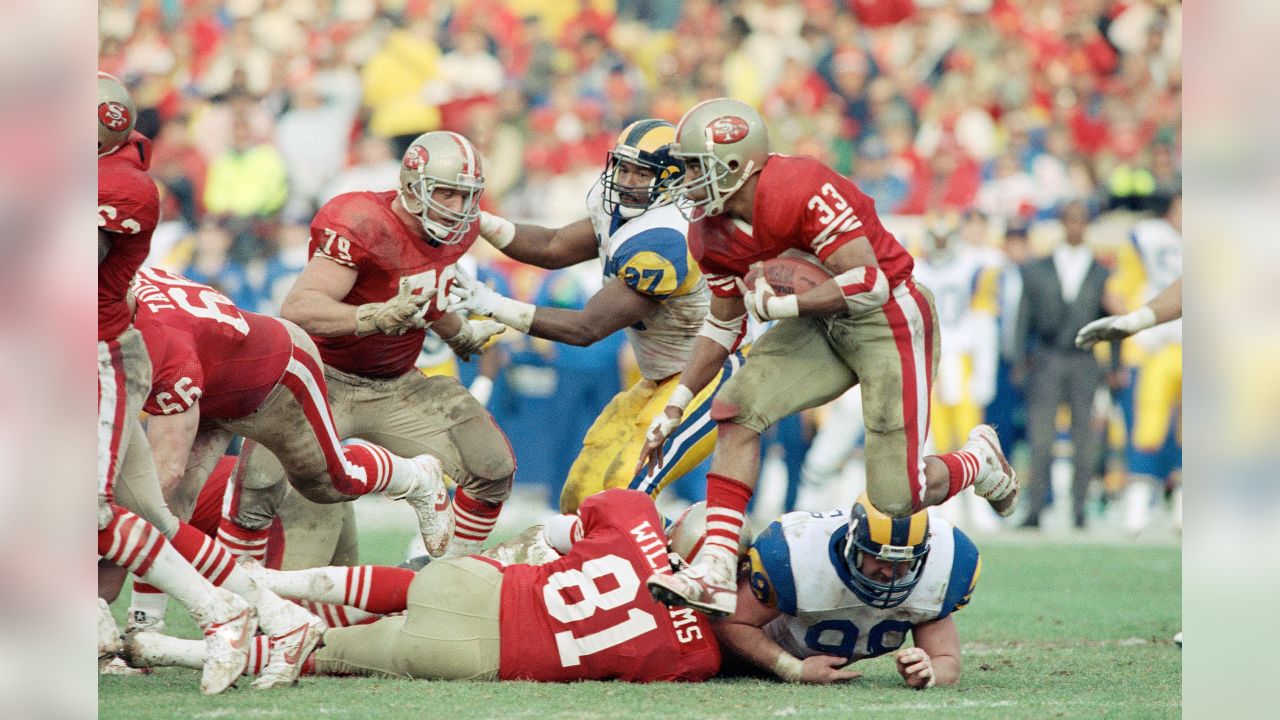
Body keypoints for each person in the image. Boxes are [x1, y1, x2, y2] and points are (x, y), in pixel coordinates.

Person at [635, 98, 1016, 617]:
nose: (689, 183)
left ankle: (980, 461)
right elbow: (724, 323)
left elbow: (867, 282)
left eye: (697, 168)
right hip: (817, 322)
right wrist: (677, 404)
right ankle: (717, 567)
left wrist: (783, 303)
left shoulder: (799, 186)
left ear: (737, 165)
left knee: (896, 498)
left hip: (889, 316)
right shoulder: (708, 231)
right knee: (736, 408)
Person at [123, 267, 454, 656]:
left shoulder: (164, 342)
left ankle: (415, 476)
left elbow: (162, 479)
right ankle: (143, 627)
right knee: (174, 507)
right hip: (216, 376)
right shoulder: (122, 282)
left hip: (278, 371)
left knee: (331, 481)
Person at [230, 131, 513, 559]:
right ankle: (238, 601)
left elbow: (423, 285)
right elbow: (300, 307)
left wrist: (457, 332)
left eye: (468, 196)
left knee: (492, 467)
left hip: (397, 382)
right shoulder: (363, 220)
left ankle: (448, 573)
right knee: (258, 489)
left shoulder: (459, 230)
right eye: (448, 194)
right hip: (321, 379)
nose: (460, 209)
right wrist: (371, 316)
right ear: (415, 188)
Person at [120, 489, 724, 683]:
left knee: (418, 586)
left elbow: (563, 528)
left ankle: (267, 582)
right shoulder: (698, 655)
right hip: (484, 657)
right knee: (325, 654)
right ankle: (173, 652)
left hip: (482, 589)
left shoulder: (637, 519)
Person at [453, 119, 744, 512]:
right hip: (658, 376)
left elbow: (587, 327)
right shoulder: (622, 212)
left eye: (642, 173)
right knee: (580, 491)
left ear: (674, 181)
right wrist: (480, 222)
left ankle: (659, 566)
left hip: (706, 376)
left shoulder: (669, 238)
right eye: (623, 168)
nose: (627, 180)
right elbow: (553, 246)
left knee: (625, 486)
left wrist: (493, 303)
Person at [97, 71, 254, 695]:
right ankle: (266, 612)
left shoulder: (125, 188)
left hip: (94, 357)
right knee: (149, 512)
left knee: (90, 515)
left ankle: (221, 613)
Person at [718, 494, 979, 688]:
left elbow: (947, 661)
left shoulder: (945, 564)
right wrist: (792, 669)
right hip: (723, 654)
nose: (890, 573)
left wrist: (928, 672)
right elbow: (729, 621)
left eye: (904, 561)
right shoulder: (800, 552)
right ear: (853, 546)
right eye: (880, 558)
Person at [1013, 200, 1116, 529]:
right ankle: (1035, 508)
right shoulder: (1037, 268)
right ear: (1062, 224)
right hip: (1047, 356)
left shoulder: (1101, 271)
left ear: (1087, 224)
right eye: (1070, 220)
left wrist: (1114, 363)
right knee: (1040, 438)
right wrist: (1018, 359)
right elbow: (1022, 317)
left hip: (1084, 359)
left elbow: (1111, 319)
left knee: (1084, 437)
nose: (1075, 226)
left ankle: (1080, 508)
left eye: (1081, 220)